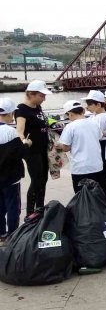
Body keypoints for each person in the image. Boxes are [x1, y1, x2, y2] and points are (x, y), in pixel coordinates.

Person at [15, 80, 51, 217]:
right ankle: (30, 214)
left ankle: (40, 208)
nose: (44, 99)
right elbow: (19, 130)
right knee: (36, 180)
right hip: (32, 150)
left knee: (44, 179)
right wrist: (24, 140)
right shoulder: (21, 109)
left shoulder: (38, 107)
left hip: (43, 148)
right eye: (41, 96)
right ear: (31, 94)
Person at [56, 100, 106, 195]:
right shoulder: (94, 123)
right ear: (82, 111)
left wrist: (58, 145)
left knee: (82, 197)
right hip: (97, 166)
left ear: (70, 113)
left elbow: (66, 148)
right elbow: (100, 136)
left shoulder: (70, 127)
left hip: (80, 168)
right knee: (97, 196)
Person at [0, 99, 31, 243]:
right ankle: (13, 235)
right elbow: (19, 153)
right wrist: (26, 144)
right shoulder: (11, 132)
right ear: (10, 113)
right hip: (11, 177)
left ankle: (1, 234)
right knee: (13, 206)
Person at [85, 90, 106, 189]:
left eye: (89, 104)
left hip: (102, 145)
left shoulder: (100, 117)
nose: (87, 106)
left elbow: (96, 135)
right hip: (104, 145)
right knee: (105, 172)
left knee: (104, 172)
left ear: (98, 105)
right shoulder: (98, 116)